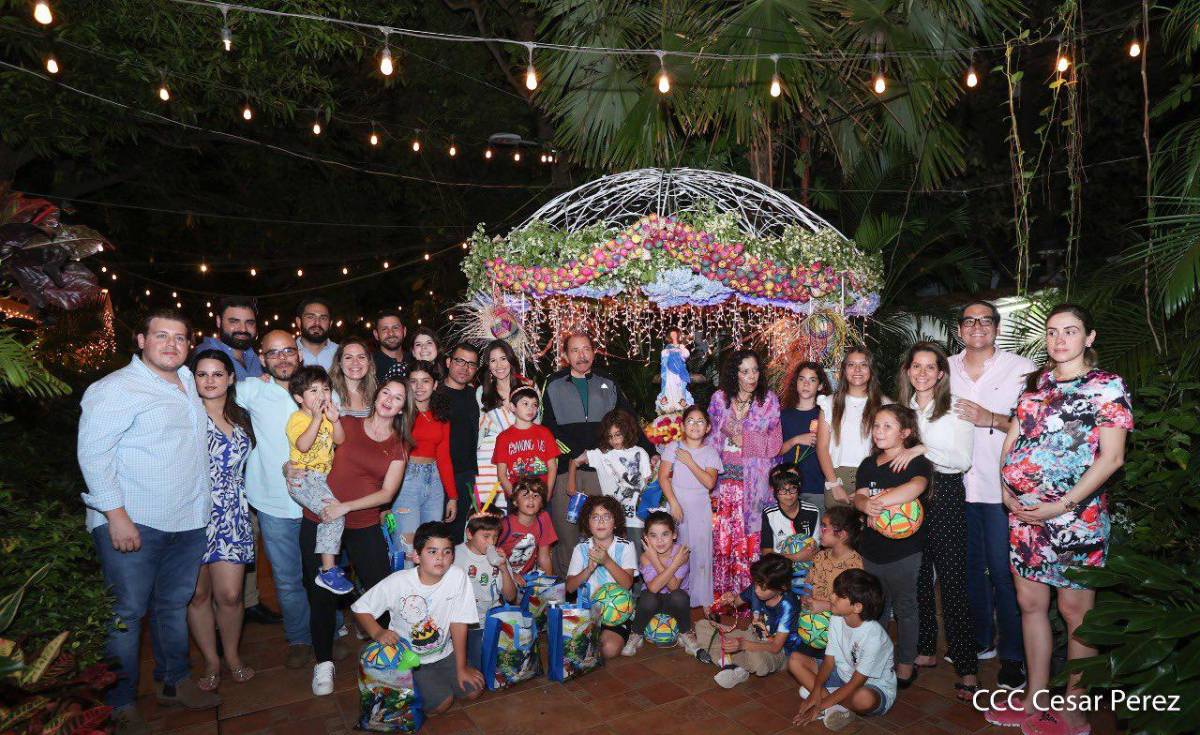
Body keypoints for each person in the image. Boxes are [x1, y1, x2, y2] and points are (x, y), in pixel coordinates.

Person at [986, 304, 1131, 734]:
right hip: (1024, 517)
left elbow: (1113, 458)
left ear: (1089, 337)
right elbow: (1013, 437)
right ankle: (1035, 697)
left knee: (1075, 613)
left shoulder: (1106, 386)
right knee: (1031, 605)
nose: (1059, 339)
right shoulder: (1037, 383)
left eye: (1070, 331)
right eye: (1052, 332)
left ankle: (1074, 705)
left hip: (1076, 518)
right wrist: (1005, 489)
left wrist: (1062, 505)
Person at [78, 309, 218, 734]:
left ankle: (172, 682)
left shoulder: (191, 383)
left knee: (172, 605)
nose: (171, 344)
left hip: (188, 518)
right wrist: (115, 516)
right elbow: (93, 455)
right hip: (134, 521)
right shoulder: (114, 389)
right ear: (140, 340)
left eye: (180, 337)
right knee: (127, 611)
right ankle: (118, 701)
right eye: (161, 335)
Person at [301, 375, 411, 695]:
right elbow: (311, 451)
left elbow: (387, 493)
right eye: (386, 392)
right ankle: (323, 664)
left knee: (382, 589)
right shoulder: (344, 423)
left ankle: (391, 657)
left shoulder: (399, 445)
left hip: (362, 522)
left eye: (399, 397)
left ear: (404, 407)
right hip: (321, 518)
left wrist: (345, 507)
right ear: (376, 397)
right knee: (320, 592)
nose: (390, 399)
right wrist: (293, 468)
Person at [950, 300, 1035, 690]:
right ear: (959, 329)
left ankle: (1013, 656)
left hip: (1003, 491)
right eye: (970, 321)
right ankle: (980, 640)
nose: (977, 326)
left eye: (985, 320)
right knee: (970, 570)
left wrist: (992, 419)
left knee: (1004, 573)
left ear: (996, 328)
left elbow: (1035, 427)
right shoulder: (944, 369)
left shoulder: (1021, 370)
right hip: (955, 487)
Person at [897, 342, 978, 698]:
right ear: (908, 371)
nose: (923, 373)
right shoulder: (902, 411)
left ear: (941, 373)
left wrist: (921, 448)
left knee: (953, 583)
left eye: (930, 367)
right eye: (917, 366)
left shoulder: (956, 411)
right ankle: (926, 650)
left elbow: (962, 460)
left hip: (944, 495)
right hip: (909, 499)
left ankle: (967, 668)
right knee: (917, 579)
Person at [235, 330, 314, 669]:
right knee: (286, 578)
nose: (282, 358)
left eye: (288, 351)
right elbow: (204, 387)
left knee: (324, 572)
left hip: (318, 502)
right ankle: (299, 638)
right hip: (272, 502)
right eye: (273, 352)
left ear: (299, 354)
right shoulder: (252, 390)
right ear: (262, 358)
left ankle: (333, 629)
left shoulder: (318, 389)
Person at [352, 521, 485, 715]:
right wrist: (377, 631)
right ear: (416, 556)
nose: (440, 558)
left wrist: (461, 667)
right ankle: (398, 685)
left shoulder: (457, 577)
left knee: (474, 690)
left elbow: (459, 622)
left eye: (447, 552)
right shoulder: (399, 582)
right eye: (432, 552)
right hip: (410, 659)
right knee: (443, 703)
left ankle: (432, 682)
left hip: (444, 652)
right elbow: (360, 608)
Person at [542, 332, 643, 575]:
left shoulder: (607, 382)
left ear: (594, 352)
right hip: (568, 472)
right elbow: (547, 428)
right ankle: (566, 598)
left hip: (603, 473)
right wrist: (577, 454)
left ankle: (605, 594)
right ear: (565, 355)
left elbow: (628, 421)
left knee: (603, 534)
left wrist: (650, 449)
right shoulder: (554, 383)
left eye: (586, 349)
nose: (581, 355)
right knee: (567, 536)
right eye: (575, 350)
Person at [187, 350, 256, 693]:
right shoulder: (186, 415)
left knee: (229, 594)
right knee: (198, 594)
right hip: (191, 513)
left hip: (232, 513)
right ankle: (211, 660)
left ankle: (232, 655)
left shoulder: (243, 416)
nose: (210, 380)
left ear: (231, 378)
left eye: (218, 373)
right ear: (193, 378)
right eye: (202, 374)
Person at [852, 405, 930, 689]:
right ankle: (880, 659)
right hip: (872, 551)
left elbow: (917, 487)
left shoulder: (915, 463)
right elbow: (859, 497)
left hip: (905, 553)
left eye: (887, 426)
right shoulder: (868, 464)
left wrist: (880, 504)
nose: (879, 431)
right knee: (877, 609)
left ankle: (906, 663)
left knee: (906, 607)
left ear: (905, 433)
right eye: (876, 426)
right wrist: (864, 505)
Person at [706, 349, 783, 598]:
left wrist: (745, 438)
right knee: (724, 539)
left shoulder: (768, 400)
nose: (752, 376)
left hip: (754, 483)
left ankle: (750, 598)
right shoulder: (720, 399)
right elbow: (710, 438)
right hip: (724, 481)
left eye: (756, 370)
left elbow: (775, 444)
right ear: (734, 374)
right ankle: (722, 596)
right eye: (745, 371)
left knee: (750, 540)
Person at [791, 569, 896, 730]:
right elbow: (829, 660)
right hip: (842, 675)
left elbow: (856, 683)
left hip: (872, 687)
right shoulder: (837, 618)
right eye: (834, 592)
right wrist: (816, 690)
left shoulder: (874, 637)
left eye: (839, 596)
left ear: (857, 607)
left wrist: (818, 706)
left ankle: (831, 701)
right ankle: (835, 704)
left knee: (863, 699)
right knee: (795, 660)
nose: (832, 597)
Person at [285, 366, 351, 595]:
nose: (322, 394)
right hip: (303, 478)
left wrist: (335, 420)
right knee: (334, 514)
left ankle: (328, 568)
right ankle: (328, 570)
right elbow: (303, 445)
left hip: (321, 479)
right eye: (313, 390)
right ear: (298, 397)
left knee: (332, 514)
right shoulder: (298, 418)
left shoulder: (326, 417)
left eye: (325, 389)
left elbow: (340, 440)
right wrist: (315, 418)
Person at [696, 554, 800, 689]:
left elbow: (775, 647)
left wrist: (743, 645)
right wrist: (726, 600)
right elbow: (735, 603)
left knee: (759, 664)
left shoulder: (789, 605)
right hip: (751, 635)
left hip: (776, 652)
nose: (757, 590)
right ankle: (733, 665)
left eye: (763, 587)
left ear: (782, 587)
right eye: (756, 583)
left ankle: (730, 663)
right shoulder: (757, 587)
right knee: (702, 626)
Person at [658, 404, 723, 608]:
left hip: (700, 509)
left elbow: (709, 483)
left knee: (700, 553)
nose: (695, 425)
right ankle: (677, 598)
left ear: (708, 428)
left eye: (700, 421)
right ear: (683, 426)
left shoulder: (711, 452)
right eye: (690, 421)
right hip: (677, 505)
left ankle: (701, 601)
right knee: (677, 552)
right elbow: (663, 478)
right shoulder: (673, 447)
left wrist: (690, 462)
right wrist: (674, 503)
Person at [568, 409, 650, 556]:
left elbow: (646, 484)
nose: (615, 440)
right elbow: (575, 461)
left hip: (636, 520)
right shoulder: (603, 454)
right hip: (611, 520)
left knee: (635, 560)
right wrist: (571, 484)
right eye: (610, 437)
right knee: (614, 558)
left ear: (627, 431)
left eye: (618, 435)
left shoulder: (641, 453)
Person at [565, 495, 637, 659]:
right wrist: (588, 570)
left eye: (607, 517)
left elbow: (627, 584)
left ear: (615, 522)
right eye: (595, 517)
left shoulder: (626, 547)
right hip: (588, 612)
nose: (601, 522)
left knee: (609, 649)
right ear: (587, 523)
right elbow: (569, 587)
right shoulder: (581, 549)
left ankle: (626, 631)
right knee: (569, 645)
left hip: (617, 613)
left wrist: (607, 561)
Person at [817, 348, 889, 507]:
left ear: (871, 370)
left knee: (867, 530)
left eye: (863, 365)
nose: (857, 370)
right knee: (836, 530)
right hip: (836, 479)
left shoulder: (885, 405)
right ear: (844, 370)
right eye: (851, 365)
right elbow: (821, 447)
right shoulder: (829, 403)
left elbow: (890, 450)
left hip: (873, 477)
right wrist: (834, 485)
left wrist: (870, 485)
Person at [393, 361, 457, 535]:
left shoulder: (440, 415)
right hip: (405, 479)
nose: (419, 387)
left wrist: (452, 496)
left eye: (425, 381)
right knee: (407, 546)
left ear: (435, 385)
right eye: (413, 381)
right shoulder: (398, 413)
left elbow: (444, 457)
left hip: (435, 481)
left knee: (431, 541)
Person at [623, 512, 701, 657]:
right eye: (653, 535)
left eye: (665, 534)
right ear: (646, 538)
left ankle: (685, 632)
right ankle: (636, 633)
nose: (659, 540)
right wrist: (671, 564)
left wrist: (670, 561)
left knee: (679, 596)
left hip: (675, 604)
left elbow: (673, 587)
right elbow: (653, 588)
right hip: (653, 604)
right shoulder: (646, 557)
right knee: (648, 597)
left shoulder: (681, 553)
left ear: (674, 535)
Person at [454, 512, 518, 669]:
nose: (491, 542)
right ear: (469, 533)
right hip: (462, 624)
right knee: (472, 667)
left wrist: (503, 568)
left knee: (497, 664)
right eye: (486, 536)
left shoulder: (499, 557)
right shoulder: (455, 555)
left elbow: (510, 597)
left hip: (490, 621)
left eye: (495, 537)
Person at [474, 340, 533, 512]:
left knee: (518, 515)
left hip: (520, 458)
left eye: (503, 359)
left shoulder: (528, 388)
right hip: (487, 462)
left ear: (511, 361)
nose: (499, 365)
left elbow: (535, 427)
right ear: (488, 365)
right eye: (493, 360)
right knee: (488, 517)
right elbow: (479, 429)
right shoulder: (481, 393)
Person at [798, 506, 865, 632]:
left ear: (842, 535)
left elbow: (853, 605)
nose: (819, 531)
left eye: (824, 527)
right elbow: (808, 582)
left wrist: (825, 606)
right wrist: (806, 597)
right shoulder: (820, 556)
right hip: (813, 623)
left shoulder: (855, 566)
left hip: (840, 625)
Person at [440, 342, 481, 542]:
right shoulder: (434, 394)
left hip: (465, 475)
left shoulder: (476, 396)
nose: (465, 368)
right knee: (433, 533)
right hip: (437, 474)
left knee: (455, 536)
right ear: (448, 362)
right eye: (460, 361)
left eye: (471, 364)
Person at [779, 361, 833, 511]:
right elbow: (776, 450)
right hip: (789, 488)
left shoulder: (825, 414)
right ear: (796, 383)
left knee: (817, 531)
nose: (806, 384)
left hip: (817, 486)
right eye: (802, 379)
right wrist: (796, 440)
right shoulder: (784, 415)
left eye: (812, 380)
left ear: (820, 386)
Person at [492, 386, 559, 496]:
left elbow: (552, 467)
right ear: (513, 407)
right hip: (517, 496)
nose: (531, 408)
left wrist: (548, 493)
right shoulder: (504, 437)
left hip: (541, 494)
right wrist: (514, 498)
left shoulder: (545, 433)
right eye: (525, 403)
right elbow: (502, 474)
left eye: (534, 404)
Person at [497, 478, 558, 578]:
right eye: (525, 495)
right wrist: (511, 575)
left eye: (536, 495)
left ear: (542, 502)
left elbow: (544, 557)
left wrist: (549, 586)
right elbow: (489, 557)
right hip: (503, 576)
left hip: (528, 579)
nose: (531, 499)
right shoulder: (504, 525)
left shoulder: (543, 519)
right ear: (515, 502)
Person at [192, 295, 262, 380]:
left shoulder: (253, 357)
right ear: (219, 321)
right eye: (234, 322)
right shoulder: (203, 355)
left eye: (250, 323)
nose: (243, 329)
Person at [761, 466, 821, 560]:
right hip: (780, 564)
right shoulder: (769, 513)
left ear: (799, 488)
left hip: (807, 561)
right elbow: (766, 552)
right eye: (782, 490)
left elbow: (816, 545)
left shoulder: (813, 511)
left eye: (793, 489)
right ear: (774, 491)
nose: (788, 494)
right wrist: (795, 557)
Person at [329, 337, 377, 418]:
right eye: (348, 357)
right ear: (339, 363)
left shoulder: (376, 392)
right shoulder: (328, 393)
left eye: (361, 357)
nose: (355, 362)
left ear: (369, 362)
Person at [295, 296, 337, 369]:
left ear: (330, 324)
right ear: (299, 322)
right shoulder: (286, 355)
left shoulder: (341, 353)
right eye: (310, 317)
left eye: (323, 318)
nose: (317, 323)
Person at [372, 308, 407, 380]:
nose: (391, 333)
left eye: (395, 328)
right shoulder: (369, 366)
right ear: (376, 334)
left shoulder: (415, 361)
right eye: (384, 329)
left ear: (404, 331)